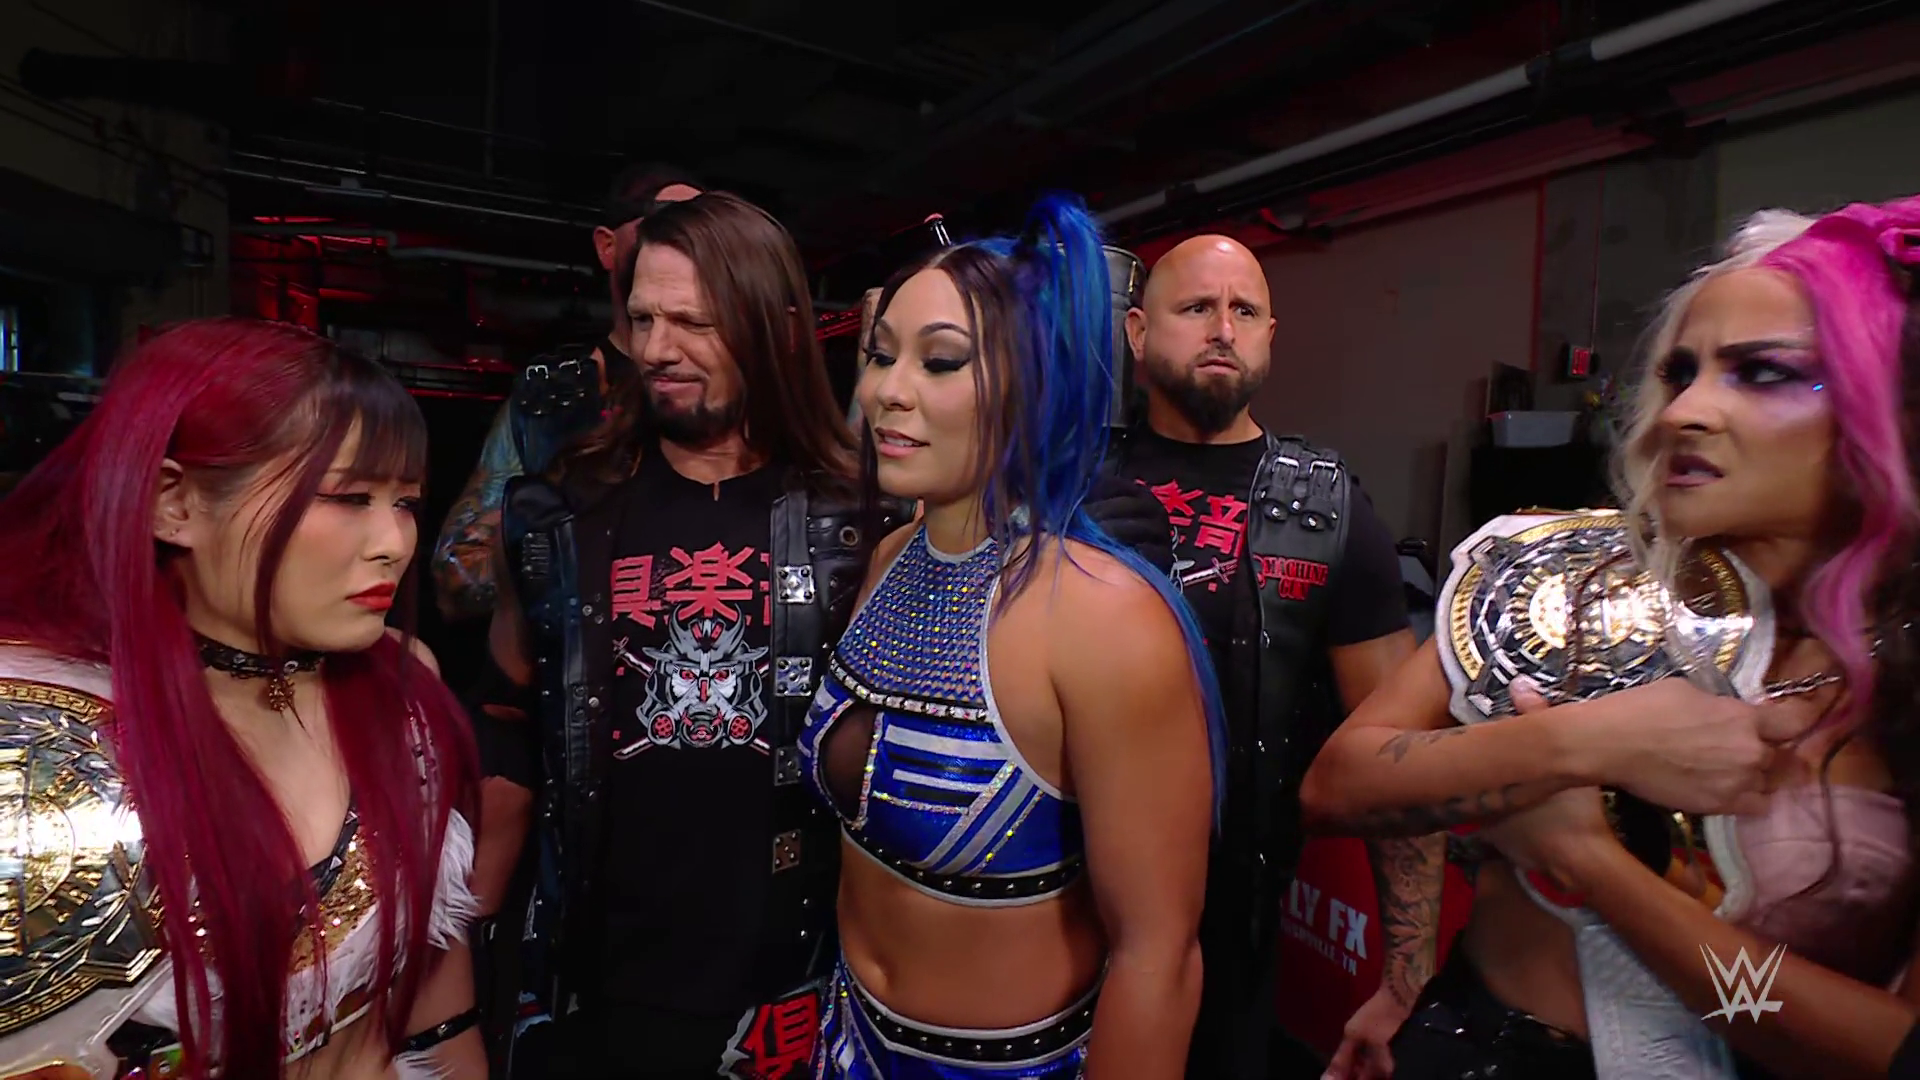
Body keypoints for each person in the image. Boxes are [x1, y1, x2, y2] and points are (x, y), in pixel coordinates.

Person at [1300, 196, 1920, 1080]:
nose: (1684, 412)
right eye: (1681, 373)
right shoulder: (1566, 576)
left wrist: (1587, 861)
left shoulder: (1905, 689)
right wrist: (1585, 741)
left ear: (1893, 412)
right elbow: (1336, 787)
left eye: (1763, 372)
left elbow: (1888, 1053)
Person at [804, 194, 1223, 1080]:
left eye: (940, 361)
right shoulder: (887, 559)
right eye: (880, 355)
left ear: (1035, 388)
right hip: (845, 1044)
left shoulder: (1103, 619)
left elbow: (1158, 954)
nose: (887, 391)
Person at [0, 317, 483, 1079]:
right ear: (175, 504)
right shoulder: (39, 748)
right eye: (348, 497)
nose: (394, 541)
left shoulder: (402, 696)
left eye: (407, 502)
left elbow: (436, 1009)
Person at [1105, 234, 1441, 1080]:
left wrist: (1406, 975)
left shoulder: (1326, 507)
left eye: (1244, 311)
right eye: (1196, 308)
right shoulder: (1072, 481)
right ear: (1138, 332)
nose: (1223, 328)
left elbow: (1398, 752)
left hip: (1234, 945)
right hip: (1060, 915)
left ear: (1268, 335)